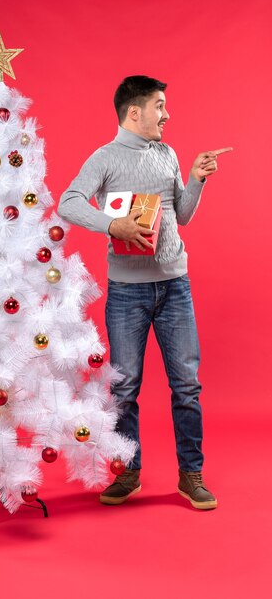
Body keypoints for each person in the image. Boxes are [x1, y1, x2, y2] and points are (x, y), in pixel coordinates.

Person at [57, 75, 232, 510]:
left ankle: (191, 475)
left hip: (175, 285)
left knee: (187, 386)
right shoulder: (105, 158)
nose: (166, 114)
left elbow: (182, 215)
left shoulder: (168, 154)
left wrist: (195, 178)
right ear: (135, 112)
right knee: (125, 387)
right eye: (160, 106)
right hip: (127, 293)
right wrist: (112, 224)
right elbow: (69, 201)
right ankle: (129, 472)